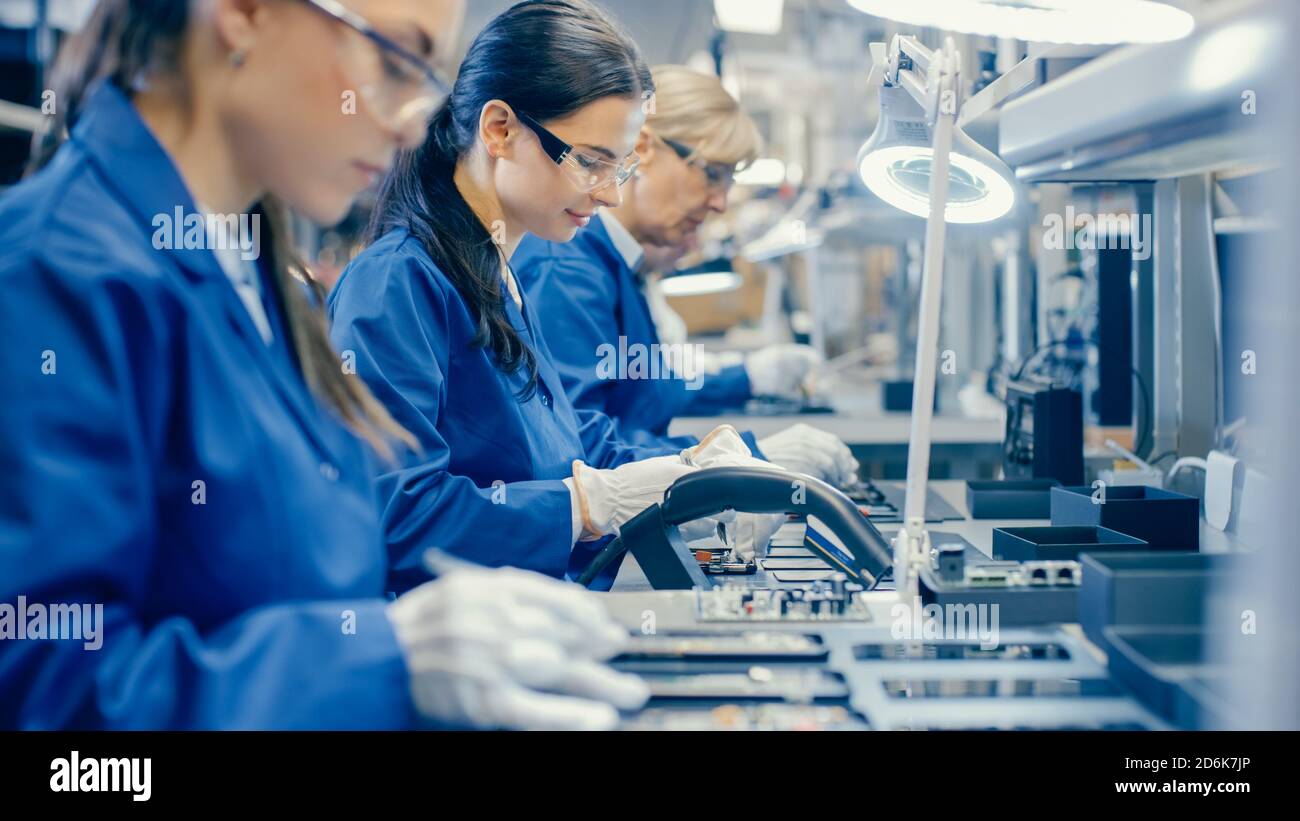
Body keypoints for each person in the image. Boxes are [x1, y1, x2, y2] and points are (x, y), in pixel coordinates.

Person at [0, 0, 646, 731]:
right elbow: (50, 717)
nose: (413, 118)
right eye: (396, 59)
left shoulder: (249, 267)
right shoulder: (53, 274)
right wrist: (380, 660)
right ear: (243, 13)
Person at [329, 0, 771, 591]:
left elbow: (557, 444)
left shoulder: (494, 274)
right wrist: (583, 506)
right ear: (500, 129)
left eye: (618, 170)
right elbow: (396, 515)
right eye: (591, 162)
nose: (610, 195)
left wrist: (687, 469)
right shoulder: (397, 283)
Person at [512, 65, 858, 485]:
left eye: (729, 183)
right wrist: (738, 458)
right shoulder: (567, 268)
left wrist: (746, 379)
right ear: (644, 149)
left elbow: (649, 386)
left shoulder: (617, 267)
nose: (720, 203)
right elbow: (580, 451)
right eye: (712, 173)